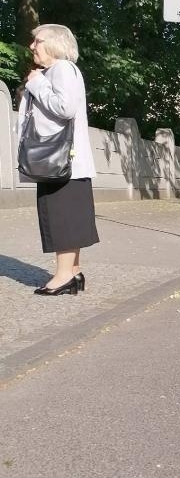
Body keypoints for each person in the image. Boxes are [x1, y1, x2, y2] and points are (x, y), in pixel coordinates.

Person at [20, 24, 98, 296]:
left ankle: (63, 275)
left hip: (61, 159)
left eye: (37, 41)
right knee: (66, 217)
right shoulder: (56, 72)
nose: (32, 46)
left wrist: (37, 83)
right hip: (61, 160)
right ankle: (73, 272)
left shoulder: (62, 69)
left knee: (62, 218)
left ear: (55, 43)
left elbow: (65, 108)